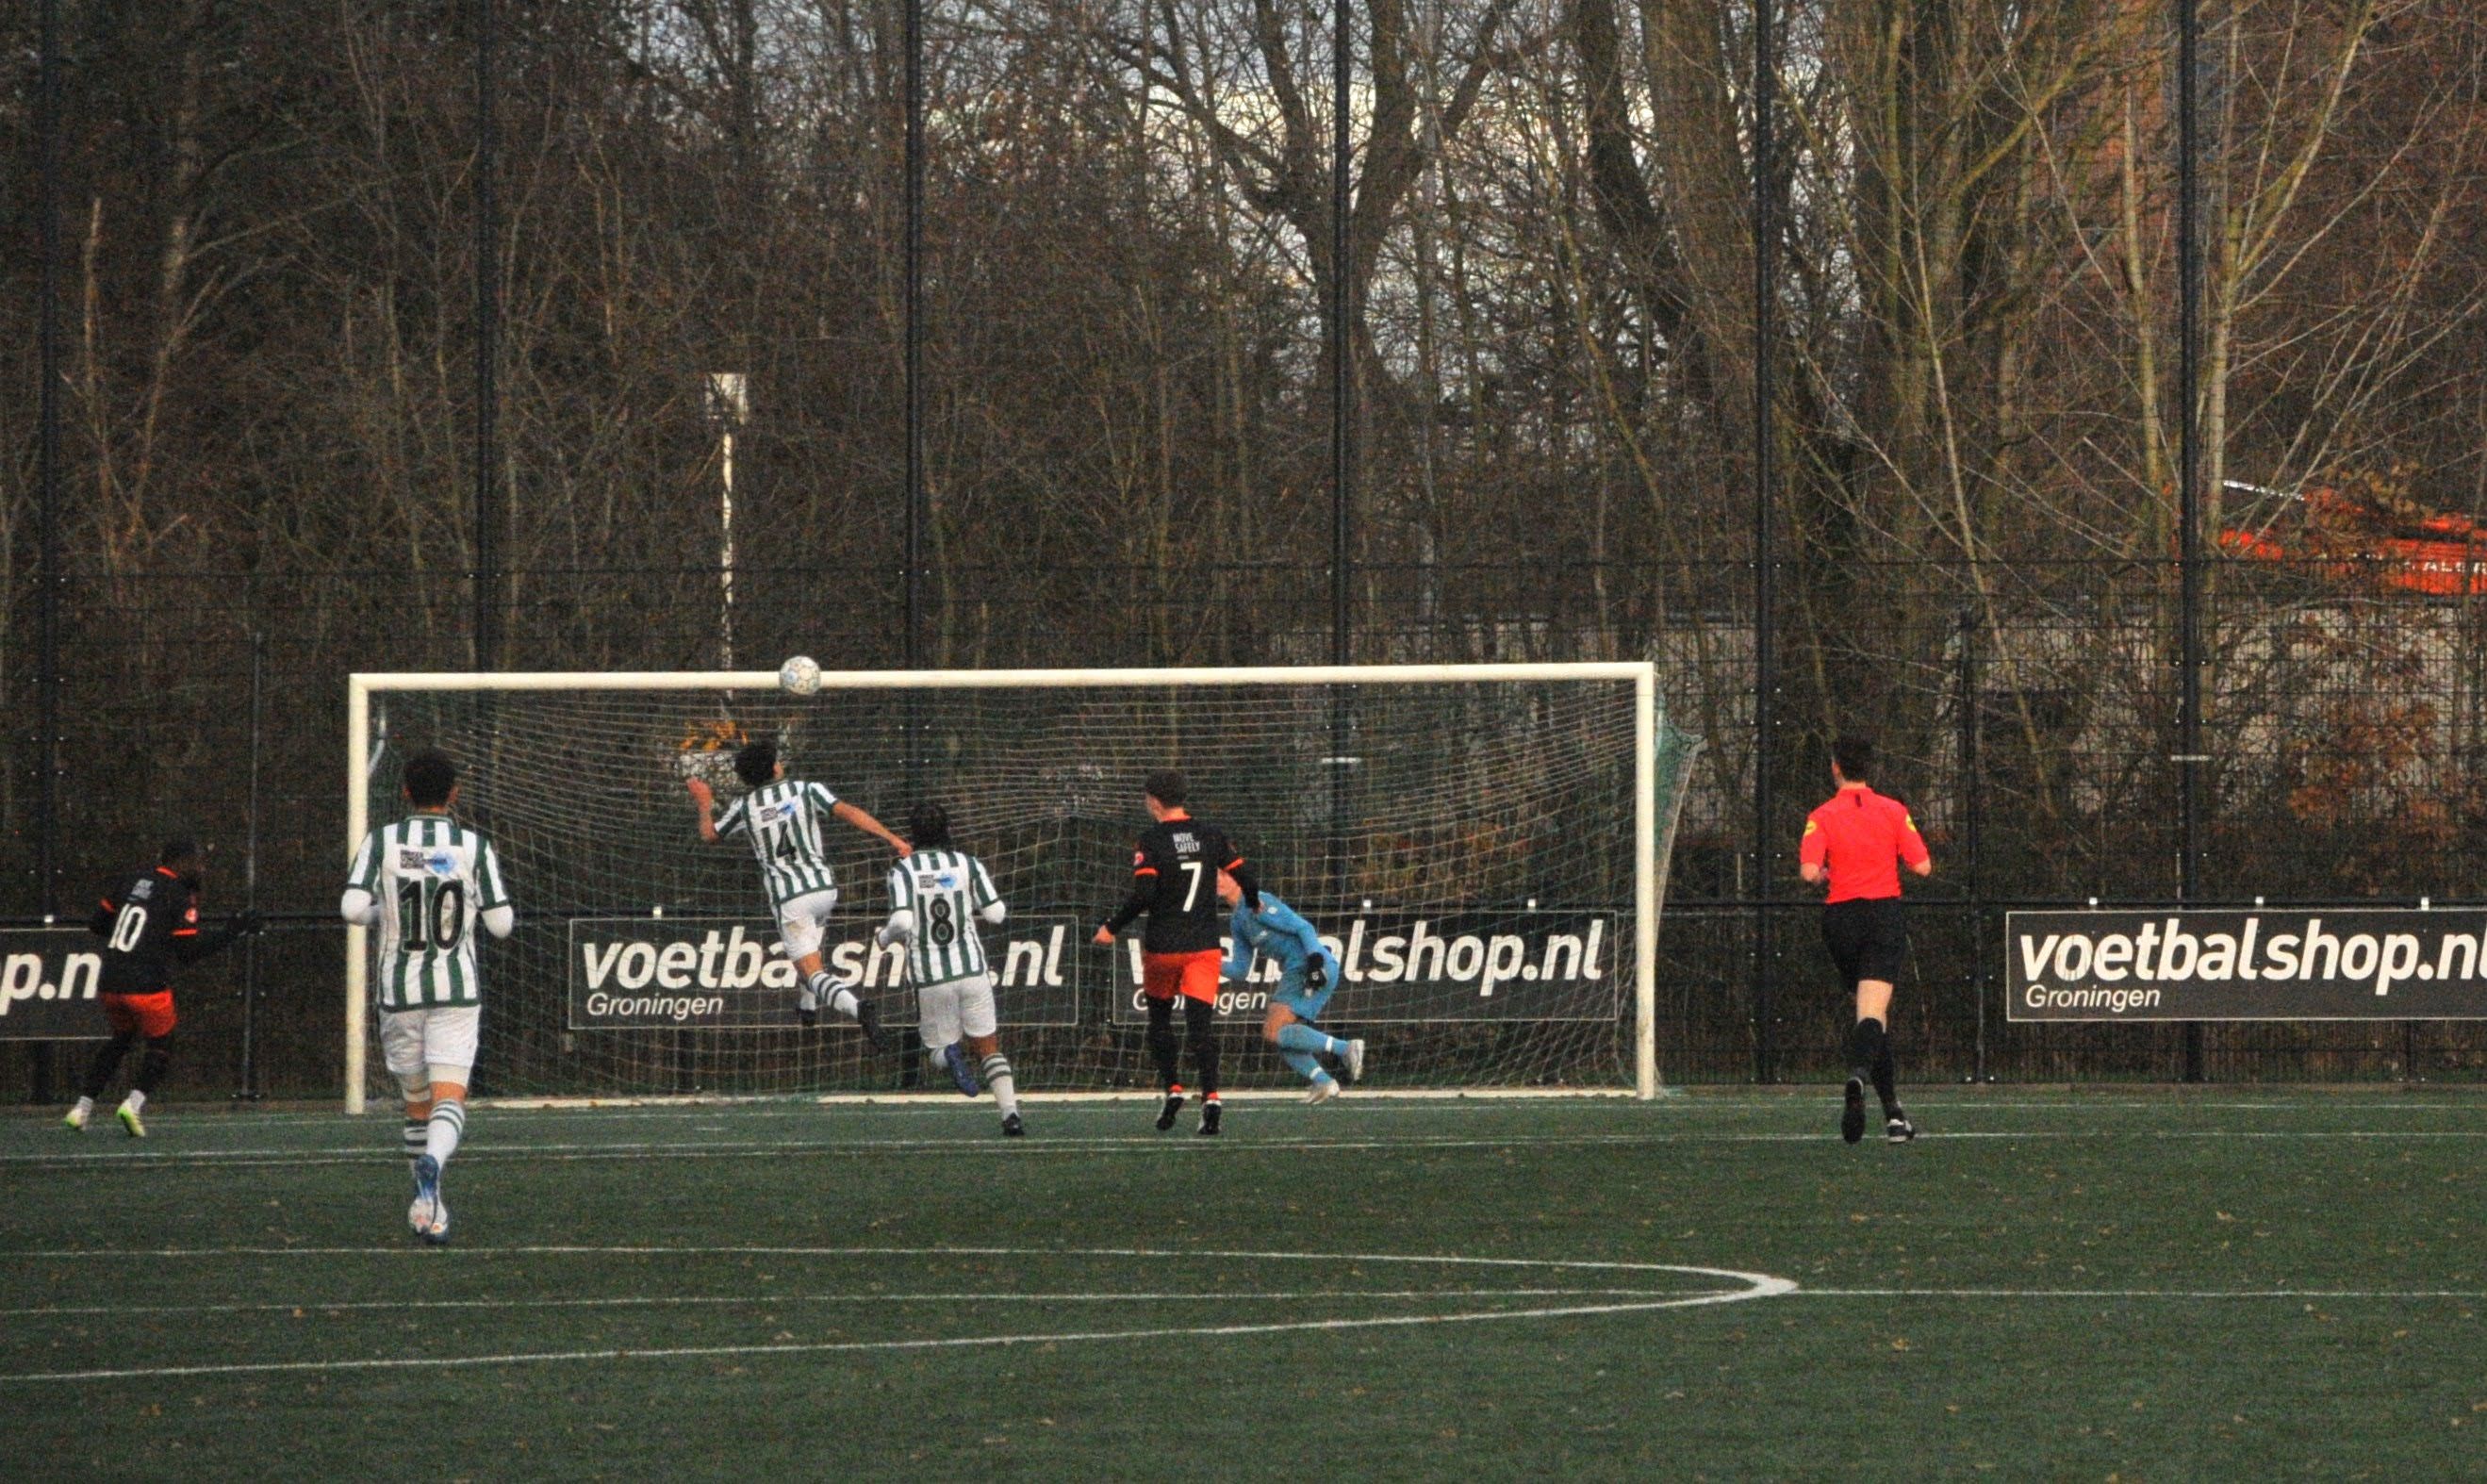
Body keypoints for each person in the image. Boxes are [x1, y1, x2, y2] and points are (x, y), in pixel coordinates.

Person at [341, 750, 515, 1244]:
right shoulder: (472, 847)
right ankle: (434, 1165)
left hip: (399, 991)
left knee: (416, 1101)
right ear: (454, 793)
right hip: (457, 990)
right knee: (450, 1096)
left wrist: (387, 913)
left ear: (405, 793)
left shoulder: (384, 841)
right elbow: (502, 926)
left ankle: (425, 1204)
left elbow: (352, 908)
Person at [686, 737, 908, 1044]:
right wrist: (892, 838)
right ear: (775, 767)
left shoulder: (746, 807)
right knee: (808, 952)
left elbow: (710, 835)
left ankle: (858, 1009)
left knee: (814, 972)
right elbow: (851, 812)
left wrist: (703, 801)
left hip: (791, 900)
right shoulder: (806, 790)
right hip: (824, 890)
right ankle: (807, 1006)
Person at [1092, 768, 1260, 1136]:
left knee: (1160, 1022)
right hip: (1203, 947)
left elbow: (1144, 894)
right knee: (1201, 1025)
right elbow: (1245, 876)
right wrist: (1255, 901)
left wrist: (1111, 927)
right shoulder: (1210, 834)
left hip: (1164, 947)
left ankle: (1173, 1088)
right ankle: (1212, 1097)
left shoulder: (1152, 840)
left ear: (1153, 800)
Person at [62, 838, 262, 1136]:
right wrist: (232, 932)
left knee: (120, 1041)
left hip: (110, 981)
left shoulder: (130, 881)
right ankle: (133, 1104)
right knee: (162, 1045)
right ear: (180, 861)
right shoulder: (179, 894)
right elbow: (188, 952)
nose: (201, 869)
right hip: (146, 984)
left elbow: (97, 924)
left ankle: (81, 1108)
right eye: (198, 862)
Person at [1798, 734, 1932, 1145]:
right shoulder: (1894, 810)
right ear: (1868, 768)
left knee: (1872, 1018)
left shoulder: (1821, 814)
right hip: (1881, 916)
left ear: (1836, 767)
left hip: (1840, 920)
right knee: (1872, 1016)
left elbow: (1808, 872)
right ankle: (1857, 1077)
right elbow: (1923, 866)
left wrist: (1826, 874)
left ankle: (1894, 1116)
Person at [876, 802, 1025, 1136]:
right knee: (989, 1046)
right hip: (972, 968)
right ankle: (1010, 1115)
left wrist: (883, 938)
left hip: (931, 974)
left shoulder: (903, 870)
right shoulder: (967, 864)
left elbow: (900, 921)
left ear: (913, 833)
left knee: (937, 1050)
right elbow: (997, 914)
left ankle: (952, 1054)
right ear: (947, 830)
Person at [1219, 870, 1363, 1104]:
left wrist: (1315, 962)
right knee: (1278, 1034)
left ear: (1237, 877)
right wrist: (1204, 961)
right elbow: (1239, 969)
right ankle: (1324, 1081)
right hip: (1296, 970)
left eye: (1223, 874)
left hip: (1308, 965)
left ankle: (1345, 1048)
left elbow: (1303, 927)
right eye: (1213, 875)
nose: (1217, 879)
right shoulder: (1237, 921)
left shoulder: (1257, 901)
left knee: (1275, 1031)